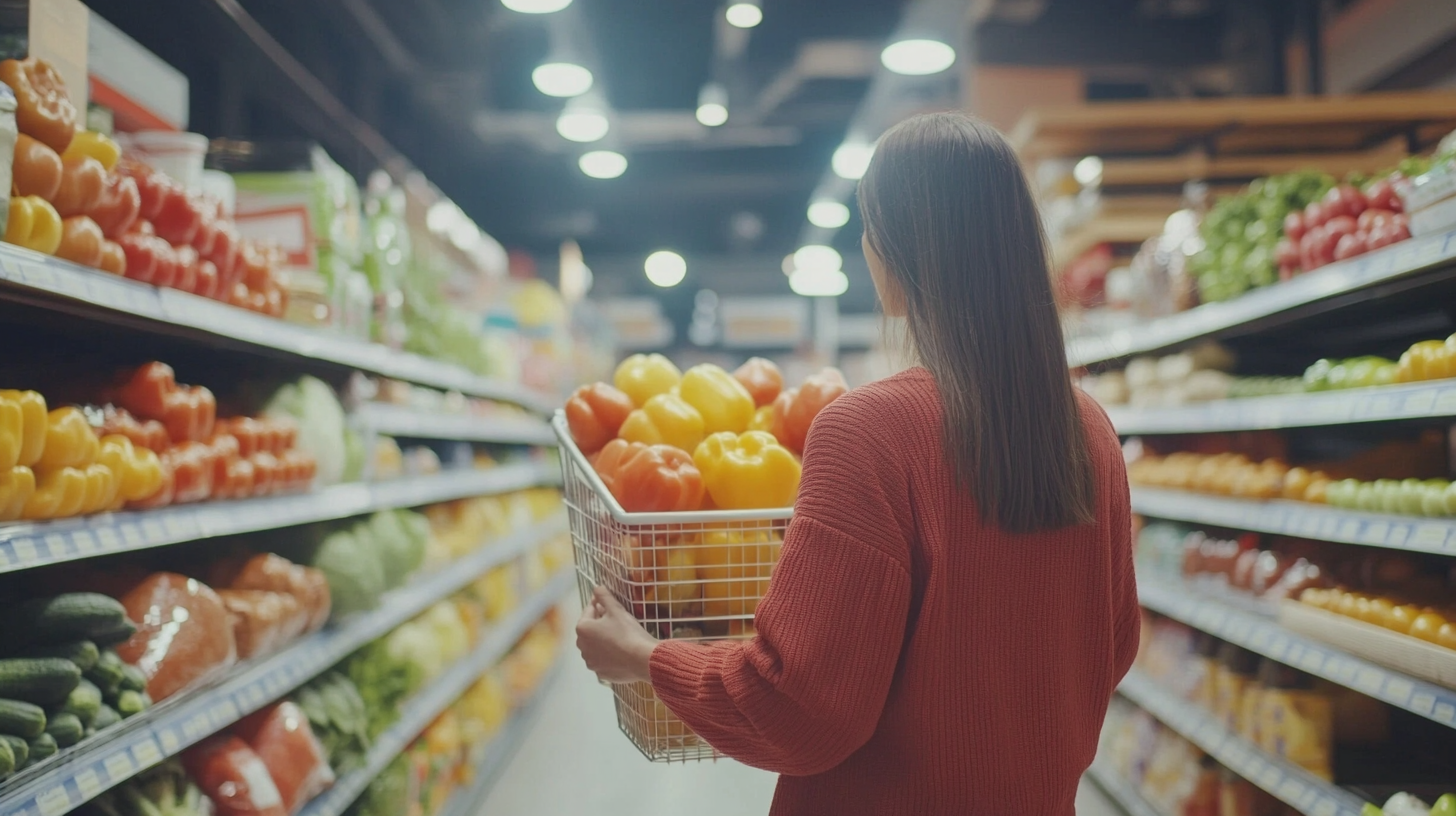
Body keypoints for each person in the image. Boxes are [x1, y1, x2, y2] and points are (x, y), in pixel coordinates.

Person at [575, 111, 1139, 816]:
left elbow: (797, 707)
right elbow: (1110, 648)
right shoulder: (1091, 431)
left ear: (890, 257)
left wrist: (641, 655)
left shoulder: (866, 432)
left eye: (869, 231)